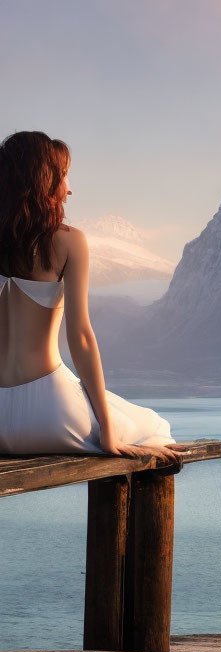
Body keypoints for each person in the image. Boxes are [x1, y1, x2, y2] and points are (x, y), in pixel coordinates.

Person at [0, 131, 180, 462]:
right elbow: (80, 336)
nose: (68, 188)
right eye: (64, 176)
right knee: (153, 425)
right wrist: (107, 428)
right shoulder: (68, 242)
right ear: (45, 179)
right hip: (50, 415)